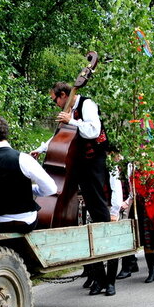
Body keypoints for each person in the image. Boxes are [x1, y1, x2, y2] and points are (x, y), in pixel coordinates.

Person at [31, 82, 116, 295]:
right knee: (83, 218)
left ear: (63, 95)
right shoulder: (68, 110)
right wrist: (41, 149)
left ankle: (110, 277)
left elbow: (93, 130)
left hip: (93, 162)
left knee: (99, 214)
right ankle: (96, 276)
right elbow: (61, 136)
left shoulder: (86, 104)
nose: (55, 104)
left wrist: (72, 120)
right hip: (78, 164)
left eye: (55, 100)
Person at [0, 115, 57, 234]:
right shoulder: (24, 158)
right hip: (26, 222)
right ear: (6, 135)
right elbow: (51, 189)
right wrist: (31, 189)